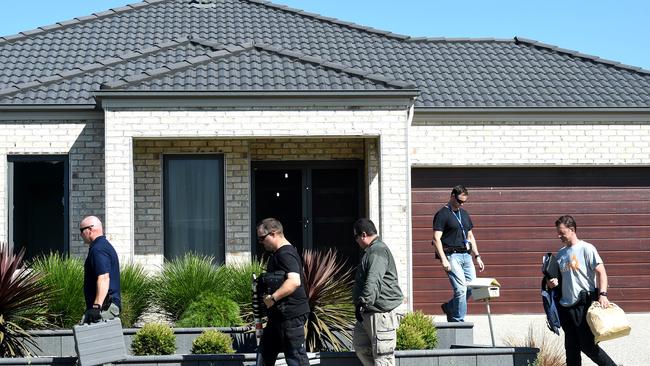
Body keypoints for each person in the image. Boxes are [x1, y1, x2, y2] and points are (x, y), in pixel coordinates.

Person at [547, 215, 618, 366]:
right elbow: (558, 280)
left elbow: (601, 272)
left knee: (588, 345)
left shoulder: (586, 248)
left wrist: (603, 295)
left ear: (572, 230)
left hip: (583, 305)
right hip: (566, 307)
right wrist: (552, 283)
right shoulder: (560, 254)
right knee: (571, 348)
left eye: (561, 232)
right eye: (558, 232)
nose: (558, 235)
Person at [257, 218, 310, 366]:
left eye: (262, 238)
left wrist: (272, 298)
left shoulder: (285, 254)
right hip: (279, 316)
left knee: (296, 359)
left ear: (273, 234)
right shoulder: (280, 253)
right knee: (264, 355)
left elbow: (294, 281)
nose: (261, 242)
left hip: (290, 316)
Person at [352, 218, 403, 366]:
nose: (356, 241)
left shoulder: (378, 251)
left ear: (363, 235)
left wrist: (363, 301)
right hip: (368, 313)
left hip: (380, 314)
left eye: (356, 237)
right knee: (361, 347)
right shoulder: (372, 251)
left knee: (383, 357)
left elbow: (374, 279)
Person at [431, 185, 484, 322]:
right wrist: (443, 260)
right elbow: (436, 238)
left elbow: (470, 236)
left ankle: (450, 307)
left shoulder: (464, 214)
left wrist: (477, 256)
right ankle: (458, 321)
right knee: (460, 290)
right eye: (459, 201)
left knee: (471, 288)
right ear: (452, 196)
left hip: (466, 256)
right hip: (451, 256)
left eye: (464, 202)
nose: (461, 204)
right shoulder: (442, 214)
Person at [79, 215, 121, 324]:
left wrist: (96, 307)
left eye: (82, 230)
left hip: (104, 308)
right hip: (103, 306)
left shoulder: (98, 249)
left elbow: (103, 278)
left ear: (90, 230)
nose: (80, 234)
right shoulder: (102, 246)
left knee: (87, 337)